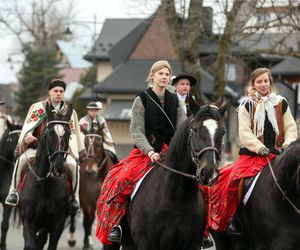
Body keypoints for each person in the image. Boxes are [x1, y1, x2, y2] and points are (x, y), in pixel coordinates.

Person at [95, 60, 186, 245]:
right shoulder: (141, 99)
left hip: (171, 152)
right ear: (152, 76)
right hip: (145, 153)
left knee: (197, 182)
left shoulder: (176, 100)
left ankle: (202, 229)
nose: (164, 77)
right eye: (160, 73)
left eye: (167, 74)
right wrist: (150, 151)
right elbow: (136, 130)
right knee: (121, 180)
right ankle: (118, 225)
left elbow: (182, 129)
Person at [206, 67, 298, 236]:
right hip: (253, 155)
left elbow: (291, 127)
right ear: (253, 84)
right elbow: (244, 133)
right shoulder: (246, 105)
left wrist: (287, 144)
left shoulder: (281, 102)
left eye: (266, 81)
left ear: (270, 82)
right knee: (235, 180)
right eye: (259, 82)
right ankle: (235, 218)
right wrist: (259, 147)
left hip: (278, 154)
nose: (263, 84)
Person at [5, 79, 85, 213]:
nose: (58, 94)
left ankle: (75, 199)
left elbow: (74, 134)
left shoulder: (69, 112)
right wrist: (28, 136)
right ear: (50, 92)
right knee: (21, 160)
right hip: (38, 149)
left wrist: (74, 151)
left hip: (59, 152)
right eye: (56, 91)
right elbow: (28, 126)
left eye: (61, 91)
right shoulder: (38, 107)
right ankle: (13, 192)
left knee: (74, 166)